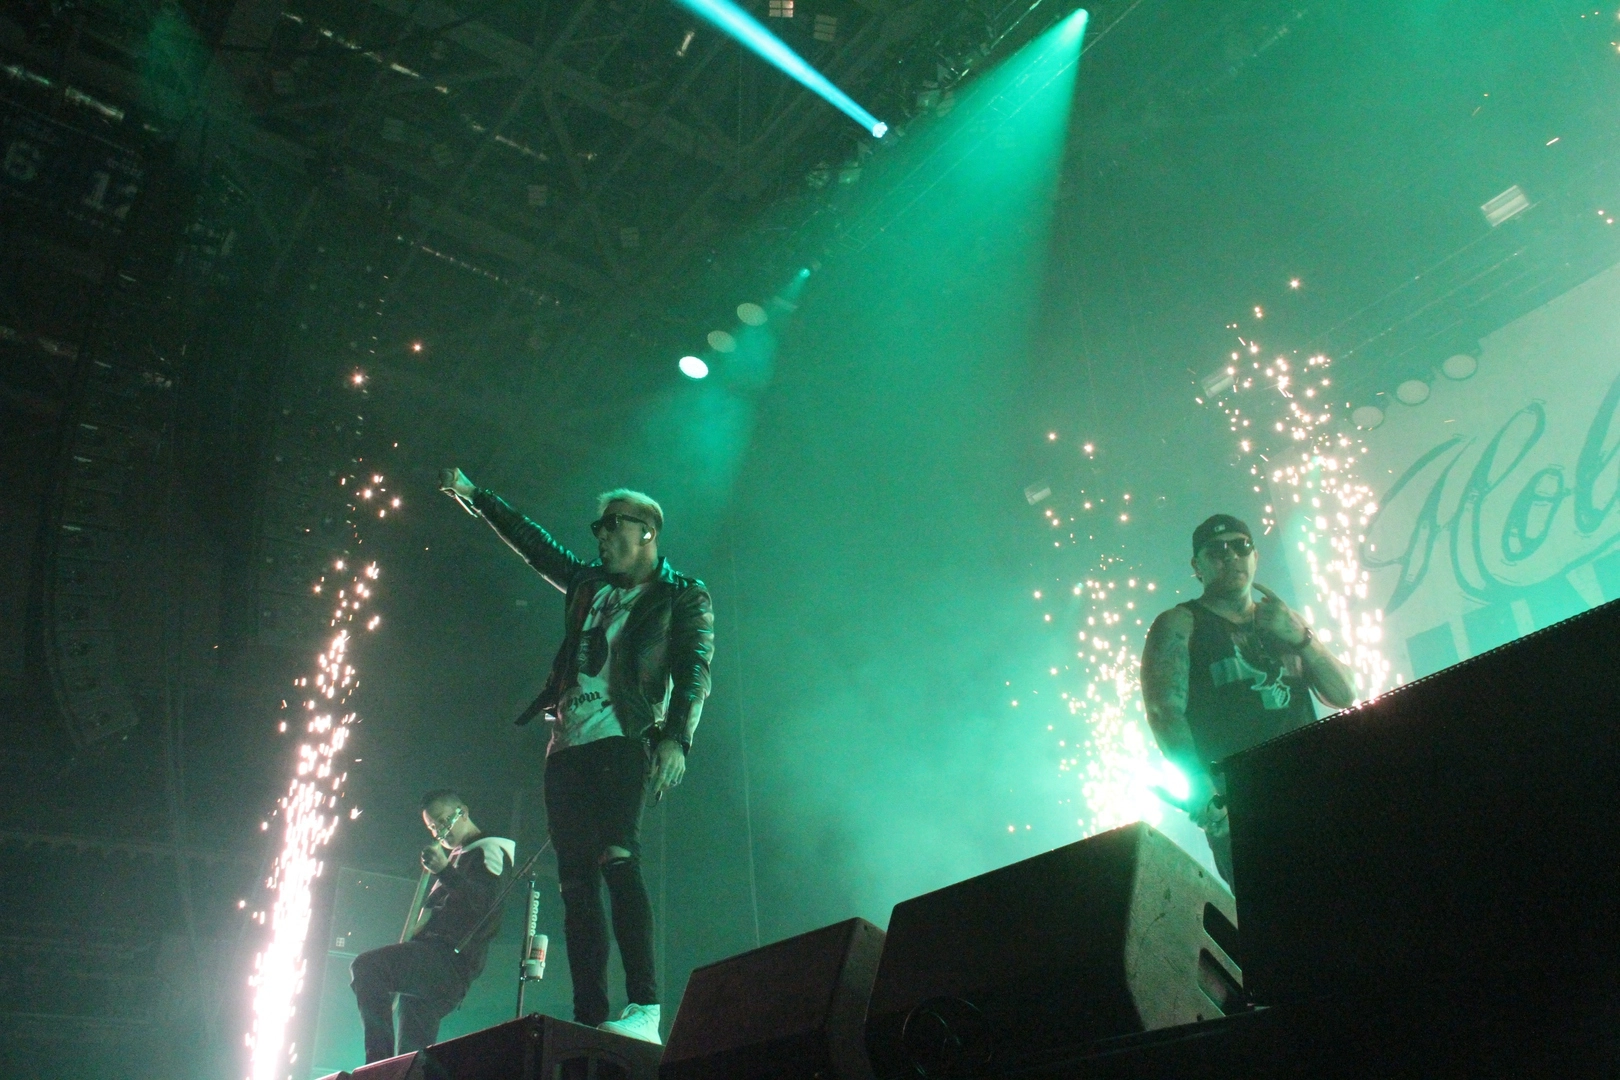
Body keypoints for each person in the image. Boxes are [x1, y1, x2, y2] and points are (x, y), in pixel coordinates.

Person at [439, 469, 713, 1046]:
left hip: (624, 738)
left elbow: (694, 670)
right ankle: (590, 1016)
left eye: (613, 526)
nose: (602, 537)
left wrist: (677, 738)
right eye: (598, 528)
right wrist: (477, 497)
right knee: (574, 884)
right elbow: (538, 549)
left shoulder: (681, 593)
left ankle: (644, 1007)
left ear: (647, 531)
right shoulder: (588, 584)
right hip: (566, 747)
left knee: (618, 857)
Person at [1140, 514, 1356, 888]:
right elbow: (1164, 711)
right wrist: (1199, 786)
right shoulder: (1181, 623)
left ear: (1255, 556)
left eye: (1241, 546)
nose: (1231, 556)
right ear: (1197, 566)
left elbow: (1344, 694)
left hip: (1316, 785)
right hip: (1241, 802)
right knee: (1278, 905)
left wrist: (1302, 637)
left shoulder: (1286, 621)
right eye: (1216, 549)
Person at [350, 790, 516, 1063]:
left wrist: (445, 871)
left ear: (463, 812)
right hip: (434, 963)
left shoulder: (489, 850)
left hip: (447, 961)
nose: (440, 831)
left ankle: (377, 1065)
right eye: (433, 827)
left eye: (443, 821)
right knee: (412, 1056)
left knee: (368, 967)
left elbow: (486, 906)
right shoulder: (459, 856)